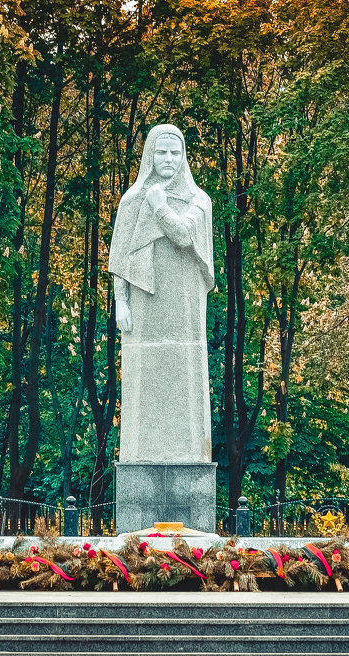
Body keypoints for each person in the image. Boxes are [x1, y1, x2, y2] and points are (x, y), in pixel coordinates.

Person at [109, 124, 214, 463]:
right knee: (144, 379)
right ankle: (142, 456)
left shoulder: (199, 201)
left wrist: (159, 206)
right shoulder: (132, 200)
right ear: (149, 156)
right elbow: (120, 257)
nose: (168, 159)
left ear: (184, 157)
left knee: (184, 378)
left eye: (175, 152)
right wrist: (120, 302)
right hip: (145, 305)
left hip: (184, 305)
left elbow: (184, 235)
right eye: (161, 152)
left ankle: (188, 456)